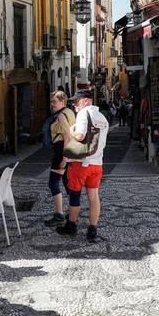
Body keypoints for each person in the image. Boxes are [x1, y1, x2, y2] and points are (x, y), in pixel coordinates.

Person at [56, 90, 109, 243]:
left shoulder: (84, 113)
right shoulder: (102, 117)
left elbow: (79, 136)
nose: (75, 104)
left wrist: (70, 130)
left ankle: (71, 225)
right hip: (97, 163)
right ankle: (92, 229)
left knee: (75, 195)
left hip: (81, 163)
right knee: (94, 197)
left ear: (86, 101)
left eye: (77, 101)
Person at [43, 91, 75, 228]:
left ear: (63, 102)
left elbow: (67, 137)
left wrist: (64, 158)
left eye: (54, 101)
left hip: (62, 151)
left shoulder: (61, 116)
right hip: (68, 151)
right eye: (51, 101)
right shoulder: (70, 112)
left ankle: (59, 214)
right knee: (67, 183)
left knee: (53, 182)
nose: (52, 104)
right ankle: (73, 212)